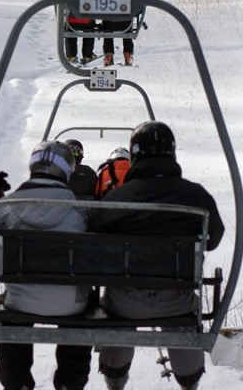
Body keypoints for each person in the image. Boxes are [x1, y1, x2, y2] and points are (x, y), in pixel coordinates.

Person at [88, 121, 225, 390]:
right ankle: (188, 381)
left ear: (136, 154)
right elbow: (214, 239)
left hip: (126, 301)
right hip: (176, 301)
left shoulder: (118, 199)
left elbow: (94, 244)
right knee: (184, 313)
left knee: (116, 306)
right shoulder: (196, 196)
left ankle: (115, 378)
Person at [0, 141, 92, 390]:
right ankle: (70, 383)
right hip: (71, 305)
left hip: (20, 303)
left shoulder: (7, 207)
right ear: (66, 171)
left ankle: (17, 383)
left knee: (8, 313)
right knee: (84, 312)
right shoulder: (80, 211)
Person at [102, 0, 134, 66]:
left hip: (110, 24)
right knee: (128, 29)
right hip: (125, 24)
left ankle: (109, 55)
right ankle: (127, 54)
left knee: (107, 30)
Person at [65, 0, 98, 65]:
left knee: (69, 31)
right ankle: (87, 55)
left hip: (72, 20)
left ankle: (71, 55)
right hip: (86, 20)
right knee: (90, 31)